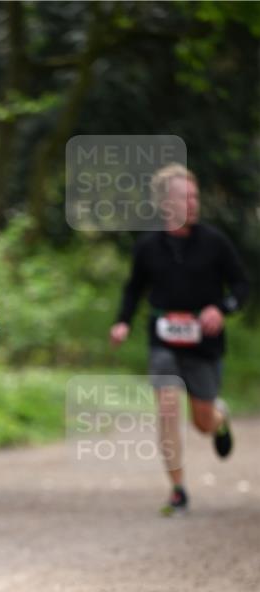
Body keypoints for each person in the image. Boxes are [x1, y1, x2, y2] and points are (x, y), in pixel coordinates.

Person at [109, 164, 249, 515]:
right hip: (164, 341)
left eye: (195, 196)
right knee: (168, 408)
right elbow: (134, 289)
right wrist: (122, 322)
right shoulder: (148, 246)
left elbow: (242, 286)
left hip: (205, 345)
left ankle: (219, 417)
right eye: (185, 197)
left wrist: (223, 308)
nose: (193, 203)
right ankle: (178, 489)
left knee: (202, 421)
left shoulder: (215, 243)